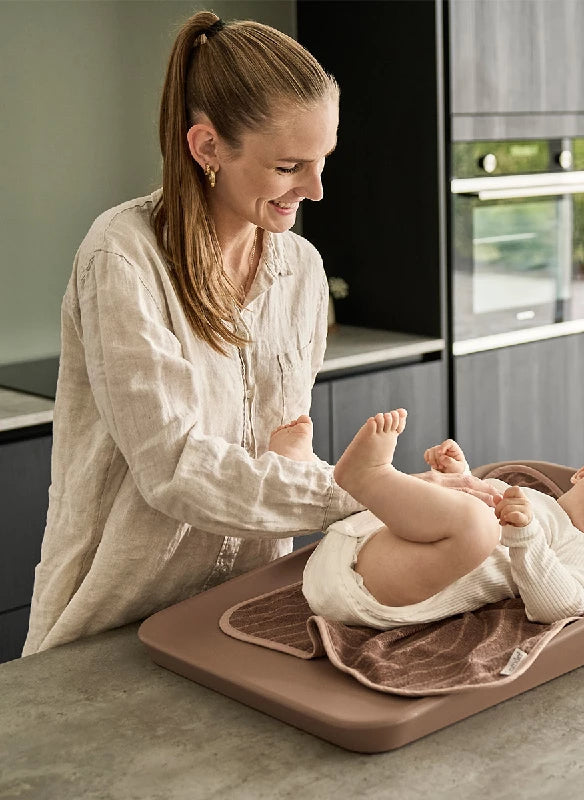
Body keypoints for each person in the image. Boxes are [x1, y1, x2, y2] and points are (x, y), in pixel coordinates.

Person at [23, 13, 495, 655]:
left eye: (323, 161)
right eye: (290, 166)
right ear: (207, 147)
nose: (317, 190)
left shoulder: (300, 268)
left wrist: (405, 498)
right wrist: (363, 491)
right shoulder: (124, 258)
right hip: (112, 627)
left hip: (240, 615)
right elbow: (176, 470)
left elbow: (281, 453)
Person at [269, 409, 584, 629]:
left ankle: (368, 475)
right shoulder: (534, 497)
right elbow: (460, 508)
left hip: (375, 590)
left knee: (479, 528)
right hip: (356, 543)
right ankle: (301, 470)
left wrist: (525, 540)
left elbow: (561, 606)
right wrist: (462, 477)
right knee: (444, 488)